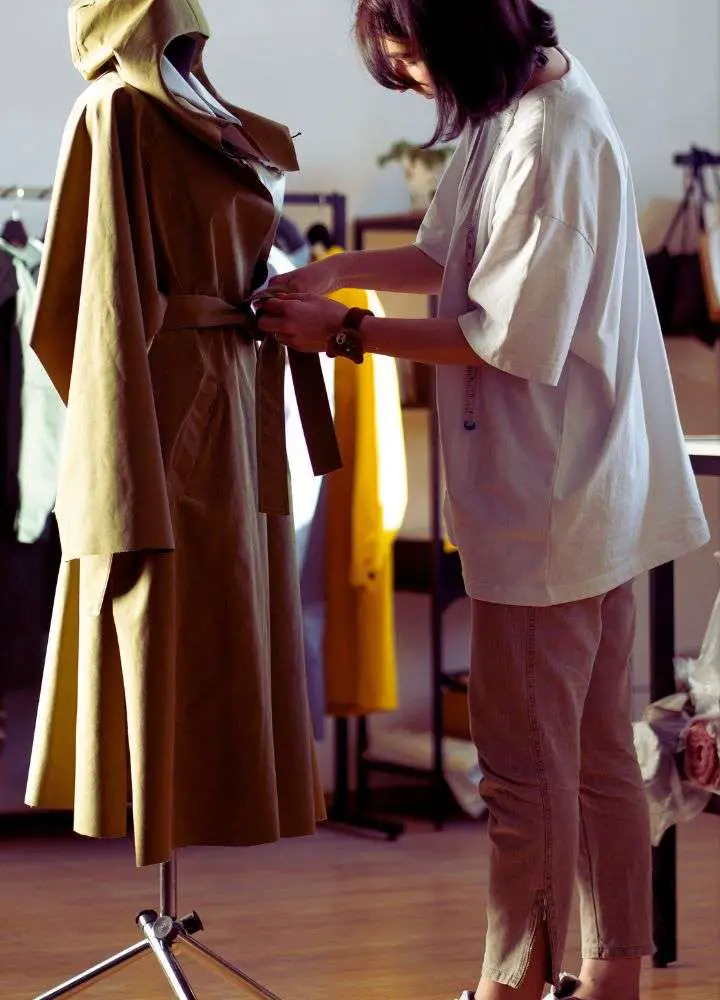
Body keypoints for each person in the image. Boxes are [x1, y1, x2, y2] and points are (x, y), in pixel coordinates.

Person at [256, 2, 710, 999]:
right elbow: (447, 258)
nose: (411, 82)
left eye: (410, 61)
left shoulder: (550, 136)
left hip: (551, 504)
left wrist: (344, 336)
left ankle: (513, 984)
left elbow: (501, 334)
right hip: (580, 493)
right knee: (594, 760)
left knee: (521, 777)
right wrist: (337, 272)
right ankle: (611, 976)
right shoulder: (526, 101)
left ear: (454, 41)